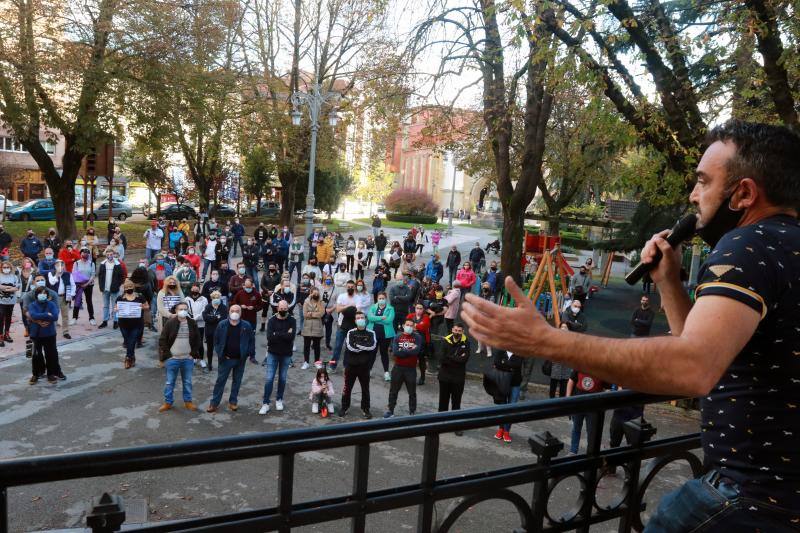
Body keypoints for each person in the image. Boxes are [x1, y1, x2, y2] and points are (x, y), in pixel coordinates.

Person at [461, 120, 800, 529]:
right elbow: (705, 349)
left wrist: (546, 341)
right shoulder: (787, 244)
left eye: (703, 182)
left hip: (750, 498)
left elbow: (692, 368)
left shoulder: (748, 244)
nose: (693, 196)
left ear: (743, 193)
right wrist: (669, 282)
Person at [207, 305, 254, 413]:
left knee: (237, 382)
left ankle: (233, 402)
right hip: (225, 359)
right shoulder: (222, 324)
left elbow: (251, 340)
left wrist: (248, 354)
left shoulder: (246, 325)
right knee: (220, 381)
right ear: (229, 312)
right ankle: (214, 403)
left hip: (240, 360)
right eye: (232, 311)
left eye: (237, 311)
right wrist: (220, 354)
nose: (235, 313)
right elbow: (216, 341)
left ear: (241, 313)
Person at [158, 302, 201, 412]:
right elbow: (162, 340)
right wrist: (168, 356)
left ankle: (188, 402)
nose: (183, 311)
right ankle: (168, 402)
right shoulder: (170, 323)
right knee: (170, 382)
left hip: (187, 359)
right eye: (181, 309)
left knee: (187, 382)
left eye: (185, 309)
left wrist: (193, 354)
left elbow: (198, 340)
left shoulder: (192, 323)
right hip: (173, 359)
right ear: (176, 311)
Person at [259, 300, 296, 414]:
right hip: (272, 353)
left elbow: (291, 337)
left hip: (286, 354)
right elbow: (270, 337)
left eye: (285, 308)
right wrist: (284, 334)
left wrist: (277, 334)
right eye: (281, 308)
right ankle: (265, 403)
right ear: (277, 308)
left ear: (288, 308)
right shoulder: (271, 320)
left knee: (283, 378)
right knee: (269, 378)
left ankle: (279, 399)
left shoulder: (292, 320)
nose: (283, 310)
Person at [339, 311, 376, 419]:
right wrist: (363, 346)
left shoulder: (371, 333)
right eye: (358, 318)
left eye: (362, 317)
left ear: (365, 319)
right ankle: (344, 407)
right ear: (355, 321)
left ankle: (366, 409)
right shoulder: (350, 332)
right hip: (351, 366)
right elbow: (350, 347)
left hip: (365, 367)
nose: (360, 319)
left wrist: (357, 345)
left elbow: (372, 346)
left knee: (365, 389)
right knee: (347, 388)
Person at [384, 318, 423, 418]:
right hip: (398, 368)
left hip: (411, 369)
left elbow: (416, 352)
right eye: (407, 325)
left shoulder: (418, 337)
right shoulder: (398, 336)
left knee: (412, 392)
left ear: (414, 327)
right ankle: (390, 410)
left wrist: (403, 350)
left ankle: (412, 411)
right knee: (393, 391)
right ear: (404, 325)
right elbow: (395, 352)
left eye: (411, 325)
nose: (409, 327)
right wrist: (409, 349)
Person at [28, 286, 65, 384]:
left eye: (45, 293)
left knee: (50, 355)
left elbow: (55, 316)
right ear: (36, 295)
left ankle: (51, 374)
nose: (42, 295)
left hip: (49, 334)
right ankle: (36, 374)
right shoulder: (32, 305)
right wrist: (46, 315)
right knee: (36, 355)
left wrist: (42, 316)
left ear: (47, 295)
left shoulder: (51, 304)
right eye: (41, 293)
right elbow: (33, 315)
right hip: (36, 334)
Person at [565, 369, 607, 454]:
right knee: (576, 428)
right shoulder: (580, 365)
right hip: (578, 404)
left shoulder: (602, 370)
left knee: (591, 431)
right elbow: (571, 380)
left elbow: (608, 387)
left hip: (593, 407)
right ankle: (573, 451)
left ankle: (590, 453)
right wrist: (567, 399)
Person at [438, 324, 470, 428]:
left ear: (462, 332)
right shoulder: (445, 341)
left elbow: (464, 360)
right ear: (452, 330)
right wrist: (457, 358)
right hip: (444, 377)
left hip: (458, 378)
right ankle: (440, 424)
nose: (457, 332)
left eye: (459, 331)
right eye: (455, 330)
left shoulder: (467, 343)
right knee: (443, 401)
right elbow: (442, 359)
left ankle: (455, 426)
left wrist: (450, 357)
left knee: (456, 403)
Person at [491, 348, 522, 443]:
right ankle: (501, 429)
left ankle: (506, 431)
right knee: (503, 407)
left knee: (511, 408)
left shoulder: (519, 352)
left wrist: (504, 363)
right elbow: (496, 362)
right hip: (503, 383)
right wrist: (509, 367)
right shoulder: (501, 350)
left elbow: (517, 365)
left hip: (515, 384)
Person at [115, 280, 147, 368]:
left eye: (130, 287)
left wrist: (142, 307)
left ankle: (128, 358)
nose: (129, 289)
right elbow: (116, 307)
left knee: (132, 341)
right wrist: (116, 309)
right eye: (127, 287)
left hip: (137, 323)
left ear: (133, 287)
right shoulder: (120, 298)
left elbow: (147, 306)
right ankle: (132, 357)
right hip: (123, 323)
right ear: (124, 288)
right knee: (128, 341)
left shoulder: (139, 297)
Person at [329, 279, 358, 372]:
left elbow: (358, 311)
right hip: (341, 325)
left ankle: (346, 366)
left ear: (354, 287)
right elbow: (337, 309)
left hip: (353, 326)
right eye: (348, 287)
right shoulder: (342, 296)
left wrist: (344, 307)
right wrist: (349, 306)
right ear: (346, 287)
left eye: (352, 287)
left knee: (348, 347)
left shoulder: (358, 298)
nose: (350, 288)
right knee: (337, 346)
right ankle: (332, 366)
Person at [366, 292, 395, 381]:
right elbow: (370, 317)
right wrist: (382, 317)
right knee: (372, 352)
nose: (381, 300)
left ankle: (386, 372)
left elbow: (389, 320)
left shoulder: (390, 308)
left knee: (384, 353)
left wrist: (376, 319)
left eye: (383, 298)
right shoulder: (373, 307)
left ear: (386, 299)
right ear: (377, 299)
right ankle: (369, 370)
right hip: (373, 334)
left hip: (385, 335)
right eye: (380, 298)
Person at [45, 259, 74, 339]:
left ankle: (66, 332)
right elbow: (52, 282)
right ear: (55, 266)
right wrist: (57, 274)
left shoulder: (68, 274)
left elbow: (73, 285)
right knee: (54, 315)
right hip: (55, 298)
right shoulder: (51, 273)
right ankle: (52, 332)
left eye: (61, 265)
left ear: (64, 266)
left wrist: (71, 295)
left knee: (65, 315)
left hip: (65, 296)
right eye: (57, 265)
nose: (60, 267)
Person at [201, 290, 227, 372]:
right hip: (209, 332)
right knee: (209, 349)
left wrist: (211, 318)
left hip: (220, 332)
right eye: (214, 297)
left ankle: (221, 365)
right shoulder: (208, 306)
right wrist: (216, 318)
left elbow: (223, 319)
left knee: (220, 349)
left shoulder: (224, 307)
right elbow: (205, 317)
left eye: (218, 297)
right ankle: (209, 365)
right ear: (211, 298)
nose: (216, 299)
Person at [98, 251, 124, 329]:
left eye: (111, 254)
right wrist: (101, 286)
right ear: (106, 255)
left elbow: (121, 277)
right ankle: (105, 321)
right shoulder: (103, 264)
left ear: (113, 255)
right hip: (105, 289)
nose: (109, 256)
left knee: (115, 306)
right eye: (108, 254)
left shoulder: (117, 265)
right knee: (105, 306)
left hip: (114, 289)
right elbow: (100, 276)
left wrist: (117, 286)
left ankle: (116, 321)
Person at [407, 303, 431, 385]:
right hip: (410, 340)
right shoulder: (410, 315)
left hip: (422, 341)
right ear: (415, 308)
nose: (419, 310)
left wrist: (413, 326)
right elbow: (407, 325)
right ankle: (408, 376)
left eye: (421, 308)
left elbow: (424, 327)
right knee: (409, 359)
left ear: (423, 309)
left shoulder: (426, 317)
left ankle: (422, 377)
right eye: (417, 308)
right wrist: (417, 325)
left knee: (421, 360)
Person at [185, 283, 208, 367]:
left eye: (196, 290)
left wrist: (196, 318)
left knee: (200, 342)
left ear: (199, 290)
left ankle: (201, 359)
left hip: (200, 324)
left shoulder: (204, 299)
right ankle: (194, 357)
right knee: (192, 341)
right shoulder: (187, 299)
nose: (195, 291)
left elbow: (204, 311)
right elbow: (185, 310)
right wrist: (190, 319)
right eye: (193, 290)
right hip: (190, 324)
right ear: (191, 289)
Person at [301, 287, 325, 369]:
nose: (316, 295)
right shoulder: (306, 301)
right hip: (307, 326)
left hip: (317, 327)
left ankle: (317, 362)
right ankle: (306, 362)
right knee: (306, 346)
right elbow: (304, 314)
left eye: (317, 293)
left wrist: (311, 314)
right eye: (314, 293)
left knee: (317, 346)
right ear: (310, 293)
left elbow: (321, 313)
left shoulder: (321, 302)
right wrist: (315, 314)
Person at [72, 248, 96, 326]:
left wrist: (87, 283)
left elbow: (93, 274)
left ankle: (91, 318)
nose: (85, 254)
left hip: (89, 284)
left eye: (87, 253)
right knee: (77, 301)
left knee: (89, 301)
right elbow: (74, 273)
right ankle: (74, 318)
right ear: (81, 254)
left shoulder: (91, 263)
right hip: (79, 285)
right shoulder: (76, 263)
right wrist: (80, 282)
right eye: (84, 253)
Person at [0, 261, 20, 346]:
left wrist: (5, 289)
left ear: (10, 268)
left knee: (8, 317)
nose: (6, 269)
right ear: (1, 268)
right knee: (1, 317)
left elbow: (17, 287)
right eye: (4, 267)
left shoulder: (14, 277)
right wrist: (8, 287)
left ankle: (6, 334)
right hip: (1, 301)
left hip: (11, 301)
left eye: (7, 267)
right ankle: (0, 336)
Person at [17, 259, 35, 336]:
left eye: (29, 262)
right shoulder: (18, 271)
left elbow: (37, 282)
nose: (27, 263)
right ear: (23, 263)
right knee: (24, 312)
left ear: (31, 263)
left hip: (31, 294)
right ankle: (27, 329)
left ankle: (33, 328)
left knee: (32, 311)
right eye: (25, 262)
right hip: (21, 294)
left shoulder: (34, 272)